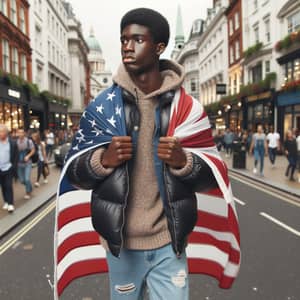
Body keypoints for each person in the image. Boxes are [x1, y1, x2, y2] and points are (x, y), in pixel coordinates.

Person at [63, 8, 229, 300]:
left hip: (169, 244)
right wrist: (102, 161)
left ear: (159, 47)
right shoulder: (103, 107)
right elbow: (73, 172)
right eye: (123, 39)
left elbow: (212, 176)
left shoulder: (187, 109)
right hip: (121, 245)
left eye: (137, 39)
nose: (127, 46)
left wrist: (184, 162)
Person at [0, 125, 18, 212]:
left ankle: (10, 203)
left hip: (8, 168)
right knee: (3, 186)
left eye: (2, 132)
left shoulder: (12, 143)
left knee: (8, 186)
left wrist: (13, 166)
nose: (0, 134)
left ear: (6, 133)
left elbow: (15, 156)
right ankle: (6, 201)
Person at [16, 129, 35, 199]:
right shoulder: (16, 142)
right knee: (22, 180)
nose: (20, 134)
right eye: (19, 132)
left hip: (28, 163)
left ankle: (28, 192)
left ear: (24, 133)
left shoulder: (28, 141)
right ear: (17, 134)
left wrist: (28, 156)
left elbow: (33, 150)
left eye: (22, 132)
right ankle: (29, 186)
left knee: (27, 179)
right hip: (19, 164)